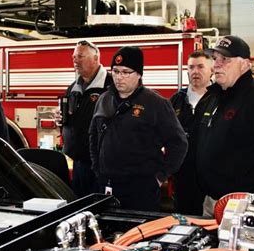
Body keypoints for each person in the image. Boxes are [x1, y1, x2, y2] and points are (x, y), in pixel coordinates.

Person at [192, 36, 254, 216]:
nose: (217, 65)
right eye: (215, 59)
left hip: (244, 208)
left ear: (245, 64)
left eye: (225, 60)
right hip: (210, 202)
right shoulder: (212, 98)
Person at [89, 46, 188, 211]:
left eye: (126, 72)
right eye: (116, 71)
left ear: (139, 74)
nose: (119, 77)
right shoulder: (103, 99)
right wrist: (97, 169)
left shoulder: (156, 104)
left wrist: (160, 176)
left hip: (141, 190)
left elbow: (179, 143)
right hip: (106, 187)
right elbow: (93, 136)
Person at [55, 40, 113, 198]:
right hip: (79, 162)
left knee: (100, 208)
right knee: (79, 206)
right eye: (74, 56)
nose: (75, 60)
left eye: (80, 56)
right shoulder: (73, 88)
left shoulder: (111, 85)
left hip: (103, 165)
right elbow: (70, 119)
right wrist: (61, 120)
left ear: (95, 59)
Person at [170, 50, 213, 215]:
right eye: (191, 67)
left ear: (212, 70)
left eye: (201, 67)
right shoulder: (176, 100)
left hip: (210, 175)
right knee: (183, 216)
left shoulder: (220, 99)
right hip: (183, 173)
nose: (195, 71)